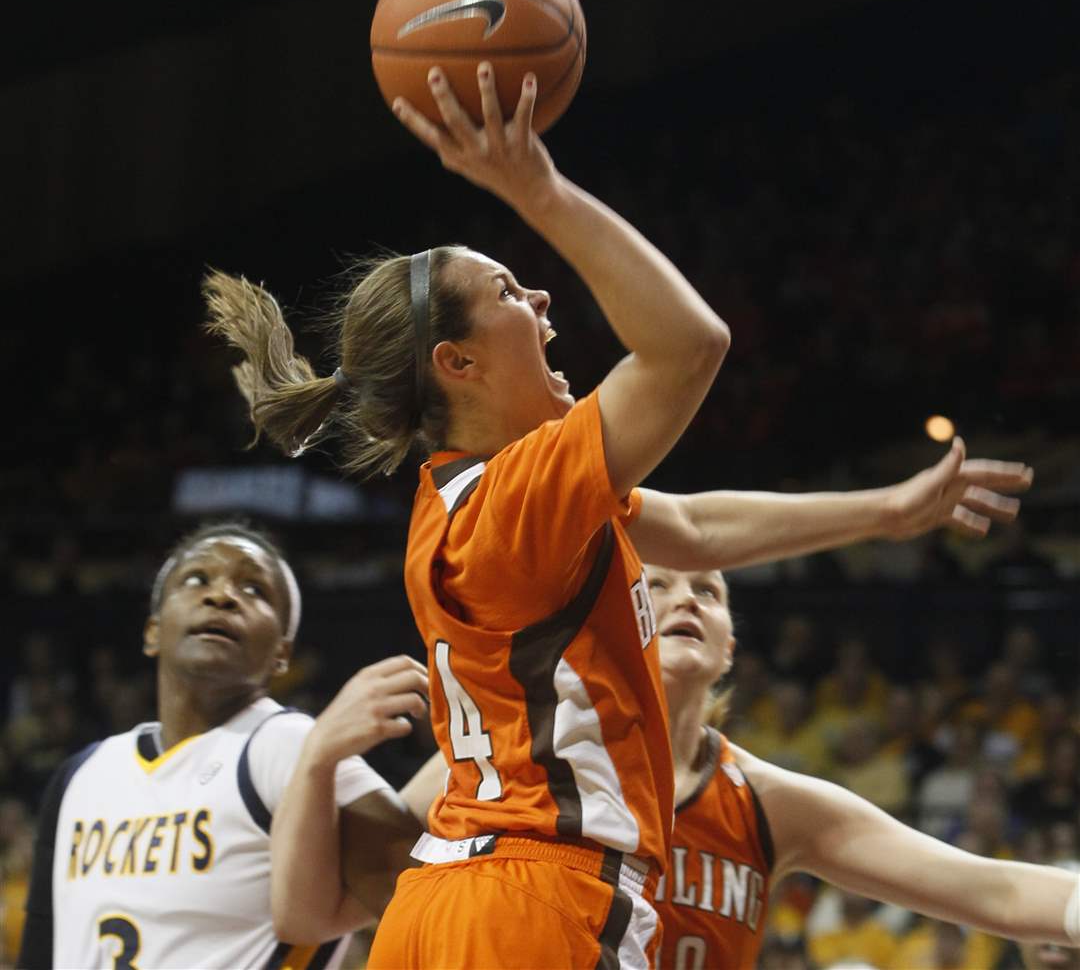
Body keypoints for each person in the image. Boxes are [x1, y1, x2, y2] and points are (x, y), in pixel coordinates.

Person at [205, 63, 1036, 968]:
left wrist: (887, 512)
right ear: (459, 363)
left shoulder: (471, 498)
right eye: (511, 294)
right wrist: (539, 189)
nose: (543, 299)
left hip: (443, 902)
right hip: (542, 901)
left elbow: (692, 530)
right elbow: (690, 345)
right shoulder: (521, 495)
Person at [17, 520, 430, 970]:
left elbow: (425, 907)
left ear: (282, 653)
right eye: (196, 579)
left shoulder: (288, 745)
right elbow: (41, 950)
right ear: (152, 631)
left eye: (254, 590)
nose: (221, 595)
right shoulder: (81, 773)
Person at [647, 563, 1080, 969]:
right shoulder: (579, 765)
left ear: (728, 648)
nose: (687, 599)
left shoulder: (766, 801)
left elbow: (983, 888)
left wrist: (1070, 913)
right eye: (658, 584)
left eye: (707, 589)